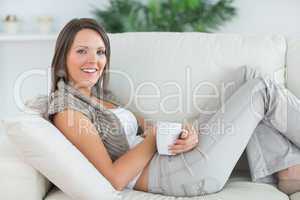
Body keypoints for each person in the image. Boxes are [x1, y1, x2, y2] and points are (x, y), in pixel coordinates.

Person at [47, 18, 300, 197]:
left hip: (174, 155)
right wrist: (156, 138)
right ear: (63, 56)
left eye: (100, 52)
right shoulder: (67, 110)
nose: (94, 60)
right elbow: (114, 178)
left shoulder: (101, 96)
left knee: (248, 75)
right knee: (261, 89)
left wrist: (184, 133)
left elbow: (146, 129)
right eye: (82, 51)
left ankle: (288, 171)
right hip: (175, 175)